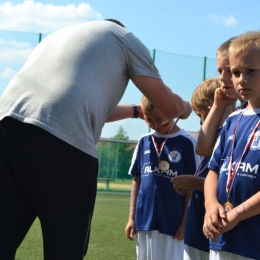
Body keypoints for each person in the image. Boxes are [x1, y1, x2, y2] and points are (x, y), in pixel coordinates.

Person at [0, 19, 192, 260]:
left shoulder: (60, 36)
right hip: (63, 144)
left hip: (6, 127)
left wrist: (134, 110)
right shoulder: (124, 37)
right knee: (65, 251)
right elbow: (169, 106)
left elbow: (80, 103)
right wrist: (186, 107)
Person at [203, 31, 260, 260]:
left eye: (251, 71)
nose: (240, 79)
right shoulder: (232, 120)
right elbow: (213, 170)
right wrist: (210, 204)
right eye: (236, 72)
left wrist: (237, 214)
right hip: (222, 240)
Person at [125, 89, 200, 260]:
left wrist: (184, 223)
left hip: (173, 225)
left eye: (159, 119)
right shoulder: (144, 141)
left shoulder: (188, 142)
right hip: (144, 222)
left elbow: (192, 188)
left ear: (171, 111)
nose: (155, 124)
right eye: (149, 120)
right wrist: (132, 217)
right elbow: (137, 181)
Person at [171, 78, 232, 260]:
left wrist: (194, 182)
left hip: (211, 235)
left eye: (199, 115)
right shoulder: (209, 144)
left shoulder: (229, 137)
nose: (200, 123)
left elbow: (227, 186)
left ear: (210, 107)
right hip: (196, 231)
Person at [196, 36, 246, 157]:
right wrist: (217, 107)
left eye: (231, 71)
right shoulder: (236, 115)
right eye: (220, 71)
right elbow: (203, 149)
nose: (222, 78)